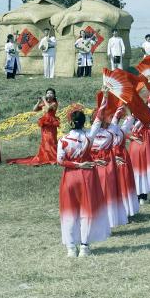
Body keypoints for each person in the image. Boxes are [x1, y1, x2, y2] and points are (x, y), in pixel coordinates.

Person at [56, 108, 110, 257]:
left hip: (70, 178)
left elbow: (60, 161)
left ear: (70, 122)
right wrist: (105, 100)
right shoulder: (89, 136)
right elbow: (98, 120)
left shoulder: (63, 140)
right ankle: (84, 247)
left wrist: (78, 164)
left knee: (69, 211)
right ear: (83, 122)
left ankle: (71, 248)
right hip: (87, 177)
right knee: (87, 211)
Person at [89, 94, 129, 228]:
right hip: (107, 165)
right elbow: (117, 118)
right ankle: (111, 219)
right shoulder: (111, 132)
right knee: (110, 192)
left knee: (94, 193)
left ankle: (97, 219)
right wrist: (123, 104)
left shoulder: (89, 135)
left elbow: (100, 120)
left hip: (92, 166)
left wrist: (105, 99)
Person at [8, 88, 60, 165]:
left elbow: (49, 108)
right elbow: (34, 109)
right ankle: (46, 156)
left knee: (51, 139)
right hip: (45, 123)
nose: (49, 94)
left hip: (51, 123)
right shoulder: (44, 102)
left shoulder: (54, 103)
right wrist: (39, 101)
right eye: (48, 93)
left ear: (54, 95)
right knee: (45, 140)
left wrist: (44, 100)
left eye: (51, 93)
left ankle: (53, 156)